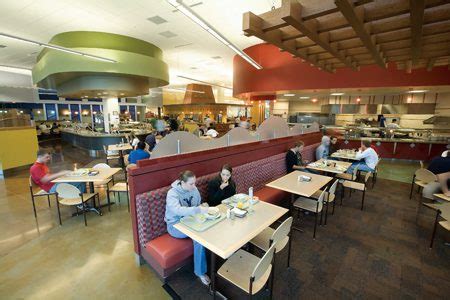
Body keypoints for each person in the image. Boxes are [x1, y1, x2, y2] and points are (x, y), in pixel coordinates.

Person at [165, 170, 212, 286]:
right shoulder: (172, 193)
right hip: (175, 225)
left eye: (194, 183)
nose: (194, 186)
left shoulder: (194, 189)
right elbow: (177, 210)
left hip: (190, 220)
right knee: (199, 238)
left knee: (211, 225)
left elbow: (197, 204)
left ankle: (217, 257)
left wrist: (202, 207)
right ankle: (200, 272)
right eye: (191, 183)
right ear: (182, 182)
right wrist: (197, 210)